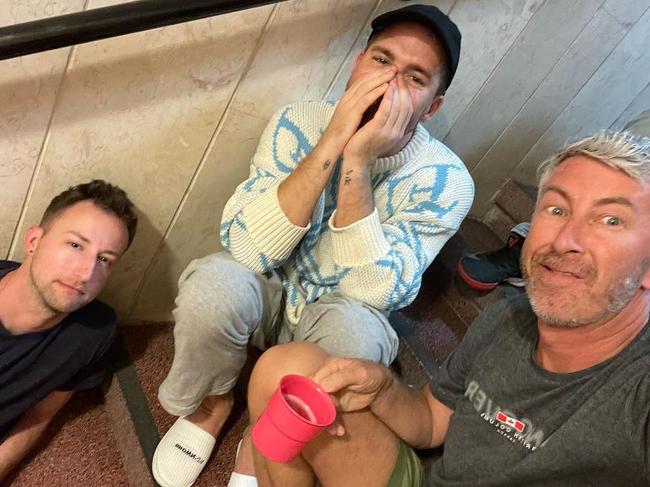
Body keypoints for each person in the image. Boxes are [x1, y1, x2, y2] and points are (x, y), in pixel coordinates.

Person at [152, 4, 474, 487]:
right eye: (381, 61)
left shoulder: (447, 181)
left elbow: (377, 294)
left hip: (344, 311)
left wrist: (358, 163)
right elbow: (248, 249)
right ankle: (211, 405)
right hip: (272, 287)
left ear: (432, 105)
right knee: (211, 284)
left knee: (357, 340)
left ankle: (263, 441)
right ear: (358, 63)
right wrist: (332, 142)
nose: (387, 84)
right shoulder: (298, 120)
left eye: (414, 77)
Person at [247, 130, 650, 486]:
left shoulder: (636, 392)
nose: (565, 240)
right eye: (557, 209)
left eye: (610, 220)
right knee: (284, 369)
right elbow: (433, 419)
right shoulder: (506, 319)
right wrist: (384, 388)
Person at [0, 180, 138, 481]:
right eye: (75, 245)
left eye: (104, 259)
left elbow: (40, 414)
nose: (86, 273)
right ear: (34, 240)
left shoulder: (94, 333)